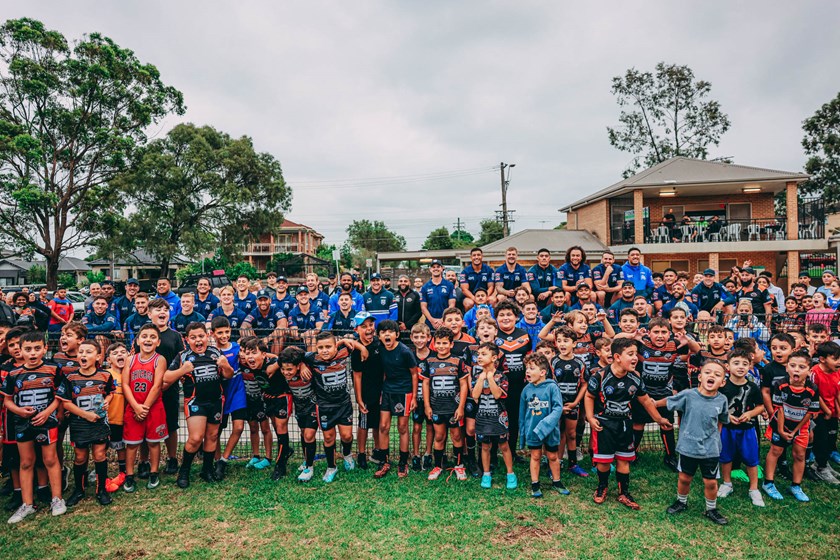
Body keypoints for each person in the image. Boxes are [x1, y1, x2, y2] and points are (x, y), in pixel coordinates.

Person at [585, 337, 672, 510]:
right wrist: (590, 417)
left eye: (636, 354)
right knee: (603, 462)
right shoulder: (600, 376)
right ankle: (602, 487)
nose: (635, 358)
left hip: (625, 424)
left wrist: (659, 419)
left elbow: (646, 401)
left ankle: (623, 492)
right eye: (630, 354)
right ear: (617, 357)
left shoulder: (635, 379)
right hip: (604, 425)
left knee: (623, 460)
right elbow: (589, 396)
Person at [2, 331, 68, 523]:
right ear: (20, 351)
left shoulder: (53, 369)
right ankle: (27, 504)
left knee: (50, 459)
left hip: (46, 422)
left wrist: (48, 412)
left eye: (37, 349)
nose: (32, 353)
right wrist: (19, 410)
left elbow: (60, 397)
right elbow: (7, 401)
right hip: (23, 423)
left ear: (45, 349)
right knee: (26, 462)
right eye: (28, 349)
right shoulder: (13, 374)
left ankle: (57, 500)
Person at [660, 360, 731, 525]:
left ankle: (711, 509)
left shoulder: (722, 400)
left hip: (710, 449)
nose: (712, 375)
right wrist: (651, 404)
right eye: (708, 372)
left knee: (711, 481)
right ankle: (681, 502)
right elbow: (669, 401)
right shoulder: (688, 395)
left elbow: (721, 420)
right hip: (688, 447)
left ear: (723, 382)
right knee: (684, 477)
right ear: (700, 377)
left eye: (717, 374)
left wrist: (715, 438)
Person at [165, 322, 234, 489]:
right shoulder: (182, 356)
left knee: (212, 436)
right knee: (196, 438)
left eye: (201, 336)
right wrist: (183, 370)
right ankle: (184, 471)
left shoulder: (216, 352)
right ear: (187, 339)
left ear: (207, 336)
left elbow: (228, 375)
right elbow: (166, 377)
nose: (198, 340)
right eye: (193, 337)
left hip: (216, 401)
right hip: (195, 402)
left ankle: (207, 470)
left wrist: (225, 365)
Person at [62, 339, 115, 507]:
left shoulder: (105, 375)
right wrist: (85, 415)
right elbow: (66, 403)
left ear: (98, 356)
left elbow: (110, 393)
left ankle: (101, 490)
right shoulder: (70, 377)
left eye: (88, 352)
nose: (83, 355)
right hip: (79, 423)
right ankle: (79, 489)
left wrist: (107, 400)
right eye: (81, 352)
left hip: (99, 423)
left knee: (100, 455)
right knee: (80, 456)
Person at [762, 350, 820, 502]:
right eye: (792, 365)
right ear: (787, 367)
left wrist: (795, 431)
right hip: (781, 424)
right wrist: (781, 430)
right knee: (776, 450)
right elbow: (779, 408)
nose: (796, 370)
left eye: (801, 367)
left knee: (799, 454)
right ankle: (768, 483)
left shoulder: (812, 388)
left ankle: (795, 485)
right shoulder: (780, 385)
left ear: (809, 370)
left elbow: (810, 413)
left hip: (800, 427)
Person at [632, 317, 688, 471]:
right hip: (643, 392)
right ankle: (632, 453)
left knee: (667, 424)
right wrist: (634, 337)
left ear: (669, 333)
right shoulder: (641, 345)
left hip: (664, 392)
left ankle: (670, 456)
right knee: (638, 423)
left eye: (664, 332)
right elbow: (619, 343)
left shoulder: (674, 345)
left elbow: (689, 356)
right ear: (648, 333)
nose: (660, 335)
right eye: (656, 332)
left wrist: (687, 340)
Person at [303, 331, 358, 483]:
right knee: (329, 437)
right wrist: (302, 366)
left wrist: (343, 341)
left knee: (346, 436)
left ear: (335, 347)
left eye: (328, 346)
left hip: (344, 403)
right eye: (321, 347)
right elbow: (296, 356)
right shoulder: (311, 358)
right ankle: (331, 467)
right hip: (325, 406)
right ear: (316, 348)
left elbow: (357, 343)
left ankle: (346, 454)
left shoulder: (344, 353)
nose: (325, 350)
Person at [717, 348, 766, 506]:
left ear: (750, 366)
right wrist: (726, 416)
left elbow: (760, 406)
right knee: (725, 457)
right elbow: (716, 404)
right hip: (727, 429)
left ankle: (753, 489)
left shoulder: (753, 387)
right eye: (736, 363)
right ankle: (726, 483)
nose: (740, 367)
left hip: (748, 430)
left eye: (745, 364)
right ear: (727, 366)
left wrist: (750, 414)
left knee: (752, 460)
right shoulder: (722, 386)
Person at [421, 327, 469, 481]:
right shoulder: (429, 362)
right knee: (439, 436)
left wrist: (461, 406)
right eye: (438, 343)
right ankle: (437, 465)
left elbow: (463, 385)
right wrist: (427, 406)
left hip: (453, 408)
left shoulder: (458, 361)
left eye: (444, 343)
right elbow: (426, 384)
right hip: (437, 407)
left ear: (451, 344)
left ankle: (459, 466)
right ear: (434, 344)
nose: (441, 346)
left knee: (456, 436)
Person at [374, 320, 420, 479]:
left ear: (397, 334)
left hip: (404, 392)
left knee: (402, 427)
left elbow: (415, 374)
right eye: (383, 332)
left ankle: (403, 461)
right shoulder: (379, 349)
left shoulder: (405, 351)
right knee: (384, 426)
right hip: (387, 391)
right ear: (379, 336)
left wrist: (414, 397)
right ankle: (384, 461)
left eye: (390, 331)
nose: (387, 334)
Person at [245, 336, 294, 481]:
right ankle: (286, 449)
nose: (250, 357)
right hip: (268, 398)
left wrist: (278, 362)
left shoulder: (272, 364)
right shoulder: (251, 364)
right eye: (248, 354)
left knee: (280, 428)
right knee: (275, 427)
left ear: (263, 354)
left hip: (282, 397)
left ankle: (281, 466)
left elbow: (291, 354)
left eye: (254, 353)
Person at [519, 352, 565, 497]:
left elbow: (558, 408)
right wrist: (522, 433)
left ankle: (557, 481)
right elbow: (522, 413)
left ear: (543, 372)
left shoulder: (552, 387)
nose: (527, 371)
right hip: (533, 431)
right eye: (526, 368)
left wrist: (546, 425)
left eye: (531, 368)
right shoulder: (526, 390)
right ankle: (535, 484)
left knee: (552, 456)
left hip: (550, 431)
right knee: (535, 456)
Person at [213, 317, 254, 480]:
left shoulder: (237, 348)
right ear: (213, 333)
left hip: (237, 391)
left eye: (227, 332)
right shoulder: (212, 351)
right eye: (220, 332)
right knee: (215, 431)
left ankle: (224, 459)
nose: (224, 335)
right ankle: (215, 459)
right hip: (220, 393)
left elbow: (255, 354)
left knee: (238, 427)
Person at [494, 300, 531, 458]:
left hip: (518, 386)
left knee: (514, 418)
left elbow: (529, 359)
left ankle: (512, 451)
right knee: (496, 417)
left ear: (516, 316)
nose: (505, 317)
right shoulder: (493, 335)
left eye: (509, 314)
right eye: (501, 315)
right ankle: (494, 452)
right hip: (498, 386)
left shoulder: (524, 335)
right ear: (496, 318)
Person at [551, 326, 589, 477]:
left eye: (566, 341)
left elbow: (584, 384)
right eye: (559, 341)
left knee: (571, 434)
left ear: (574, 343)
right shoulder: (552, 362)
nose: (562, 344)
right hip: (557, 404)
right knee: (559, 433)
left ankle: (573, 464)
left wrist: (575, 403)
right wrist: (558, 404)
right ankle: (557, 462)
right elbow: (550, 385)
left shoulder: (579, 363)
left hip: (573, 404)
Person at [351, 312, 385, 471]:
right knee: (363, 423)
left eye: (371, 325)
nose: (369, 329)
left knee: (378, 422)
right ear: (357, 329)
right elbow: (357, 376)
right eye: (364, 326)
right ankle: (362, 453)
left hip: (380, 390)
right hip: (365, 391)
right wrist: (358, 398)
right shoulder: (355, 350)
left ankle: (377, 451)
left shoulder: (380, 343)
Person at [280, 346, 319, 481]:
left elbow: (309, 354)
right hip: (299, 407)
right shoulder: (283, 372)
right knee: (303, 433)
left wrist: (303, 364)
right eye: (283, 369)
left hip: (313, 406)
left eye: (289, 369)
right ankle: (306, 460)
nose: (286, 372)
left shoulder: (307, 369)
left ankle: (310, 467)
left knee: (309, 435)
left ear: (297, 366)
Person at [809, 341, 840, 485]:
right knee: (821, 439)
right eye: (835, 358)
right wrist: (826, 410)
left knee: (830, 438)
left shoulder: (837, 372)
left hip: (832, 412)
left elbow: (837, 393)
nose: (839, 362)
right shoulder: (815, 372)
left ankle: (823, 463)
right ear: (822, 359)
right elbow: (816, 394)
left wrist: (837, 411)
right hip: (820, 412)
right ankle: (820, 467)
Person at [409, 322, 434, 472]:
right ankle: (416, 455)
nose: (419, 340)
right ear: (411, 338)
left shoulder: (433, 357)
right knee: (417, 426)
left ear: (428, 337)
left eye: (422, 337)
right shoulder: (410, 355)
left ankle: (428, 454)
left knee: (430, 426)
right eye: (416, 337)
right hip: (415, 397)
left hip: (431, 398)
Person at [104, 343, 128, 493]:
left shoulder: (129, 373)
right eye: (115, 353)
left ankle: (123, 471)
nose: (120, 354)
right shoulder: (105, 374)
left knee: (120, 446)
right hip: (107, 419)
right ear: (109, 359)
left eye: (123, 352)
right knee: (103, 447)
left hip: (122, 418)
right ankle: (102, 473)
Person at [420, 260, 456, 329]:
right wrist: (432, 321)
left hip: (446, 322)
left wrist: (442, 320)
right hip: (430, 323)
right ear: (430, 269)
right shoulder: (425, 287)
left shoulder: (449, 285)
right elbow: (423, 307)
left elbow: (452, 304)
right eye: (433, 267)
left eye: (438, 267)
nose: (436, 269)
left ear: (442, 268)